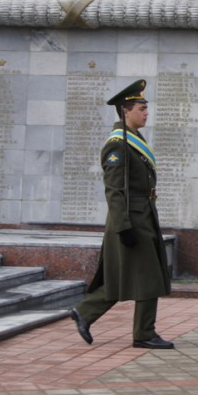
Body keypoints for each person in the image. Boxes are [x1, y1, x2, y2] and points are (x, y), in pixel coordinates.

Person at [69, 79, 174, 349]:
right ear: (125, 111)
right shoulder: (117, 145)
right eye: (141, 107)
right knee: (146, 276)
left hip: (144, 215)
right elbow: (114, 190)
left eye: (146, 107)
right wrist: (123, 225)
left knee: (136, 275)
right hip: (131, 219)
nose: (146, 112)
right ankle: (144, 334)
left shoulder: (135, 140)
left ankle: (86, 311)